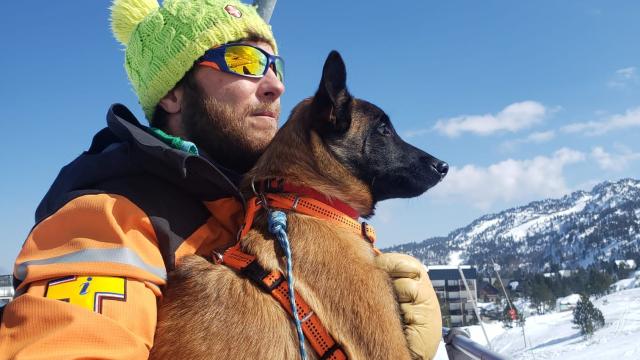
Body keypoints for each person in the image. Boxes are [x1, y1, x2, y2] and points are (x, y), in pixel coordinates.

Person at [0, 0, 442, 358]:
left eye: (275, 66)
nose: (274, 86)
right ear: (173, 93)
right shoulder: (107, 215)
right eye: (244, 61)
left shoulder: (259, 203)